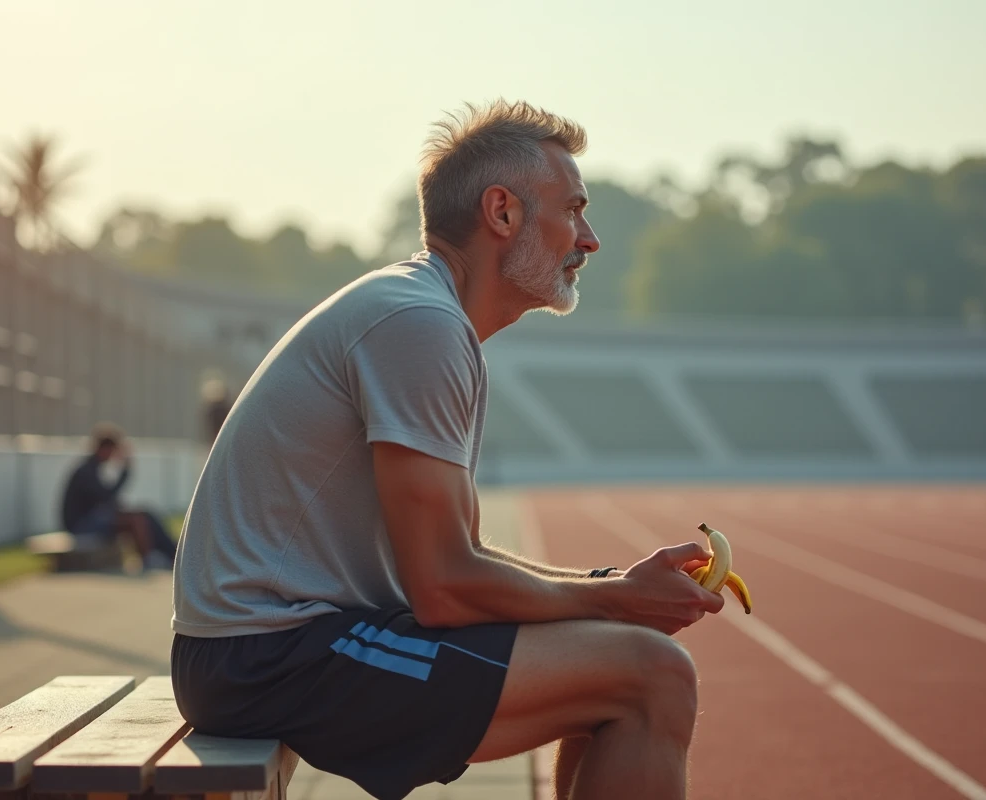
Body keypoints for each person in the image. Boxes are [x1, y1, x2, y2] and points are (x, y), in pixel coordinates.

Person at [170, 100, 725, 800]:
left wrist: (605, 587)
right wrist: (614, 600)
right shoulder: (420, 325)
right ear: (502, 213)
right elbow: (443, 589)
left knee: (614, 664)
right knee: (652, 675)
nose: (589, 239)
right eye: (574, 209)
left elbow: (461, 558)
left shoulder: (425, 314)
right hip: (267, 656)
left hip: (272, 646)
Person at [61, 422, 177, 569]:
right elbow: (105, 497)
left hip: (91, 519)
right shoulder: (86, 471)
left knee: (146, 514)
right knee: (136, 520)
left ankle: (171, 552)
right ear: (104, 449)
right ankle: (150, 559)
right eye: (113, 450)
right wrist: (125, 471)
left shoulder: (91, 467)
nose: (114, 455)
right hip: (80, 525)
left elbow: (104, 499)